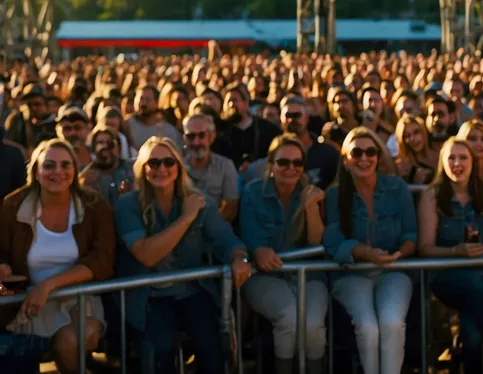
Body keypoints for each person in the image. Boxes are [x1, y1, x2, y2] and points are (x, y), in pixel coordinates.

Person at [114, 137, 251, 374]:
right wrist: (186, 218)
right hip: (149, 294)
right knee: (161, 348)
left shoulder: (199, 201)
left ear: (179, 166)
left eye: (169, 162)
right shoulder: (128, 204)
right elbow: (146, 255)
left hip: (192, 288)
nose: (162, 169)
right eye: (153, 163)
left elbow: (226, 240)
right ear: (143, 169)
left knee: (211, 345)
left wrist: (240, 257)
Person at [0, 139, 116, 373]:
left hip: (80, 296)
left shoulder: (94, 205)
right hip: (29, 302)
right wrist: (2, 266)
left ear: (75, 169)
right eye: (49, 165)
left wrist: (49, 285)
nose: (58, 172)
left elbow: (102, 260)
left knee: (70, 341)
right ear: (36, 170)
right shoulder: (13, 205)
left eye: (66, 165)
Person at [417, 137, 483, 374]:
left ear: (473, 162)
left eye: (463, 157)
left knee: (473, 334)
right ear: (442, 161)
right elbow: (425, 247)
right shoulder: (432, 196)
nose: (457, 163)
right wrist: (456, 252)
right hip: (449, 277)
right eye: (451, 157)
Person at [322, 127, 417, 374]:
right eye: (356, 152)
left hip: (393, 270)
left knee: (392, 322)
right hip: (351, 273)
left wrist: (399, 254)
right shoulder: (334, 194)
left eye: (370, 151)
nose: (364, 158)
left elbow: (410, 234)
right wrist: (364, 252)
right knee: (367, 326)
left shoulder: (397, 187)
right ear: (345, 159)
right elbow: (333, 241)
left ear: (378, 155)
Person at [240, 135, 327, 374]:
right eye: (283, 162)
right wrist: (258, 250)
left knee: (313, 326)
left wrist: (310, 207)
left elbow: (317, 243)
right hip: (264, 275)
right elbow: (251, 236)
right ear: (271, 164)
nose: (291, 168)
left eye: (297, 163)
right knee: (289, 317)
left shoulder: (311, 192)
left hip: (309, 275)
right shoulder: (253, 192)